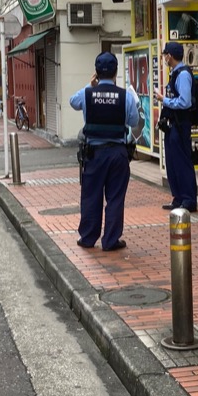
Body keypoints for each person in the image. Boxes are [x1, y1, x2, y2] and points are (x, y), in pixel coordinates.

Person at [69, 52, 140, 252]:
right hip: (118, 153)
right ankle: (110, 241)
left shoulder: (87, 94)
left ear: (96, 73)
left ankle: (88, 238)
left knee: (91, 196)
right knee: (115, 197)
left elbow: (72, 102)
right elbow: (134, 122)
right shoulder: (125, 96)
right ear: (116, 71)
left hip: (94, 153)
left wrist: (90, 86)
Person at [154, 42, 198, 213]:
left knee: (182, 163)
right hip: (173, 125)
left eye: (165, 55)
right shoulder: (175, 73)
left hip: (181, 125)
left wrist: (163, 99)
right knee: (172, 162)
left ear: (170, 56)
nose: (164, 58)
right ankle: (178, 198)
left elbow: (185, 102)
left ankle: (188, 200)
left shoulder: (183, 75)